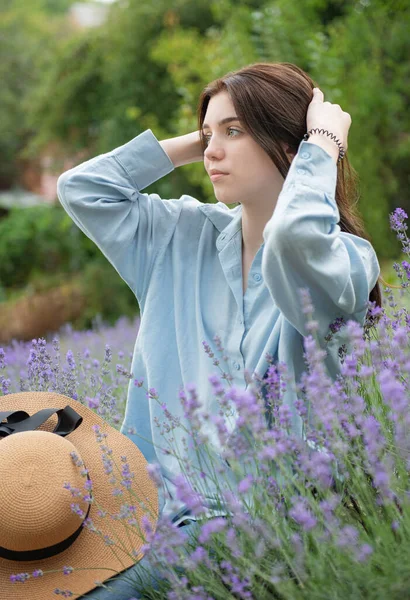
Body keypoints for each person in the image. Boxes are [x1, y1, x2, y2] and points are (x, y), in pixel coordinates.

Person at [57, 62, 381, 598]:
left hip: (273, 529)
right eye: (209, 134)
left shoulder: (343, 263)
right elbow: (84, 189)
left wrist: (322, 140)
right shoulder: (179, 238)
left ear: (291, 143)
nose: (212, 151)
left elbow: (295, 238)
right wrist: (205, 137)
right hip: (154, 515)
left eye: (235, 132)